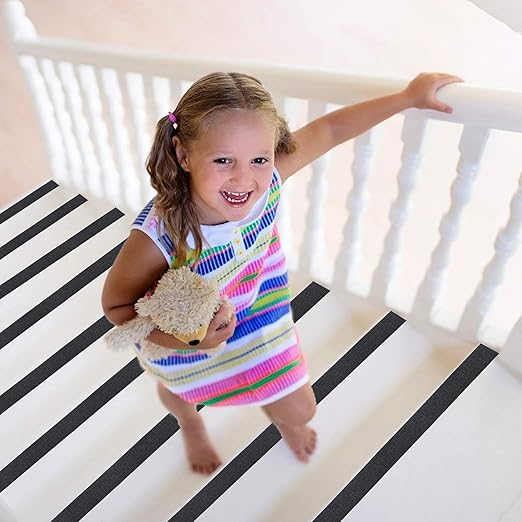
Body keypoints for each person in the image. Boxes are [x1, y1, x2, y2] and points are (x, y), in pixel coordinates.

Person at [102, 71, 462, 474]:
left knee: (300, 408)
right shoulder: (160, 235)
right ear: (184, 155)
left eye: (259, 158)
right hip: (186, 333)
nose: (244, 178)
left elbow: (331, 128)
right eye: (223, 160)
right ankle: (190, 422)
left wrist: (407, 97)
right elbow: (116, 305)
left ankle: (278, 411)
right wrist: (190, 342)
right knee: (181, 391)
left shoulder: (270, 179)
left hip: (256, 303)